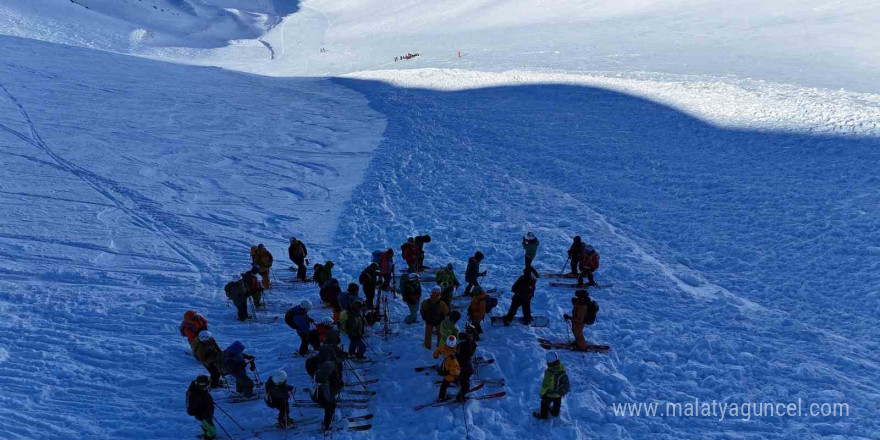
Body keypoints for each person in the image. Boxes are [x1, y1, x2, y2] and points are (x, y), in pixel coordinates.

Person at [534, 351, 570, 419]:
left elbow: (545, 385)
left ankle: (543, 416)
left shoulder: (549, 372)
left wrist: (542, 393)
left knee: (544, 404)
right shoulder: (562, 367)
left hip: (550, 394)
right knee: (557, 404)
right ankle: (555, 413)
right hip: (559, 393)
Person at [312, 361, 341, 431]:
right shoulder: (325, 383)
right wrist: (338, 389)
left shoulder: (320, 374)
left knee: (329, 408)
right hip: (323, 398)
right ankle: (326, 426)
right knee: (330, 408)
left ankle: (328, 420)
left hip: (318, 396)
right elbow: (328, 397)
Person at [186, 375, 216, 440]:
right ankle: (209, 436)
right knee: (209, 425)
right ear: (201, 386)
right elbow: (192, 408)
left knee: (206, 424)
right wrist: (203, 413)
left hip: (204, 411)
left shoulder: (198, 389)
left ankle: (206, 431)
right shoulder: (195, 395)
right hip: (203, 414)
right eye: (206, 386)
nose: (207, 388)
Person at [434, 335, 460, 401]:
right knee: (445, 385)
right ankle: (441, 397)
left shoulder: (443, 347)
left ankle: (456, 382)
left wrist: (436, 356)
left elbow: (436, 352)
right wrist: (457, 372)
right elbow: (454, 371)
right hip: (449, 374)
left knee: (445, 385)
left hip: (443, 368)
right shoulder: (453, 358)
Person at [455, 331, 477, 402]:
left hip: (459, 365)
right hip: (465, 366)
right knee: (466, 386)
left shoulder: (459, 345)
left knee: (462, 377)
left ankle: (459, 381)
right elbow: (471, 352)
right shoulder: (468, 345)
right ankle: (459, 397)